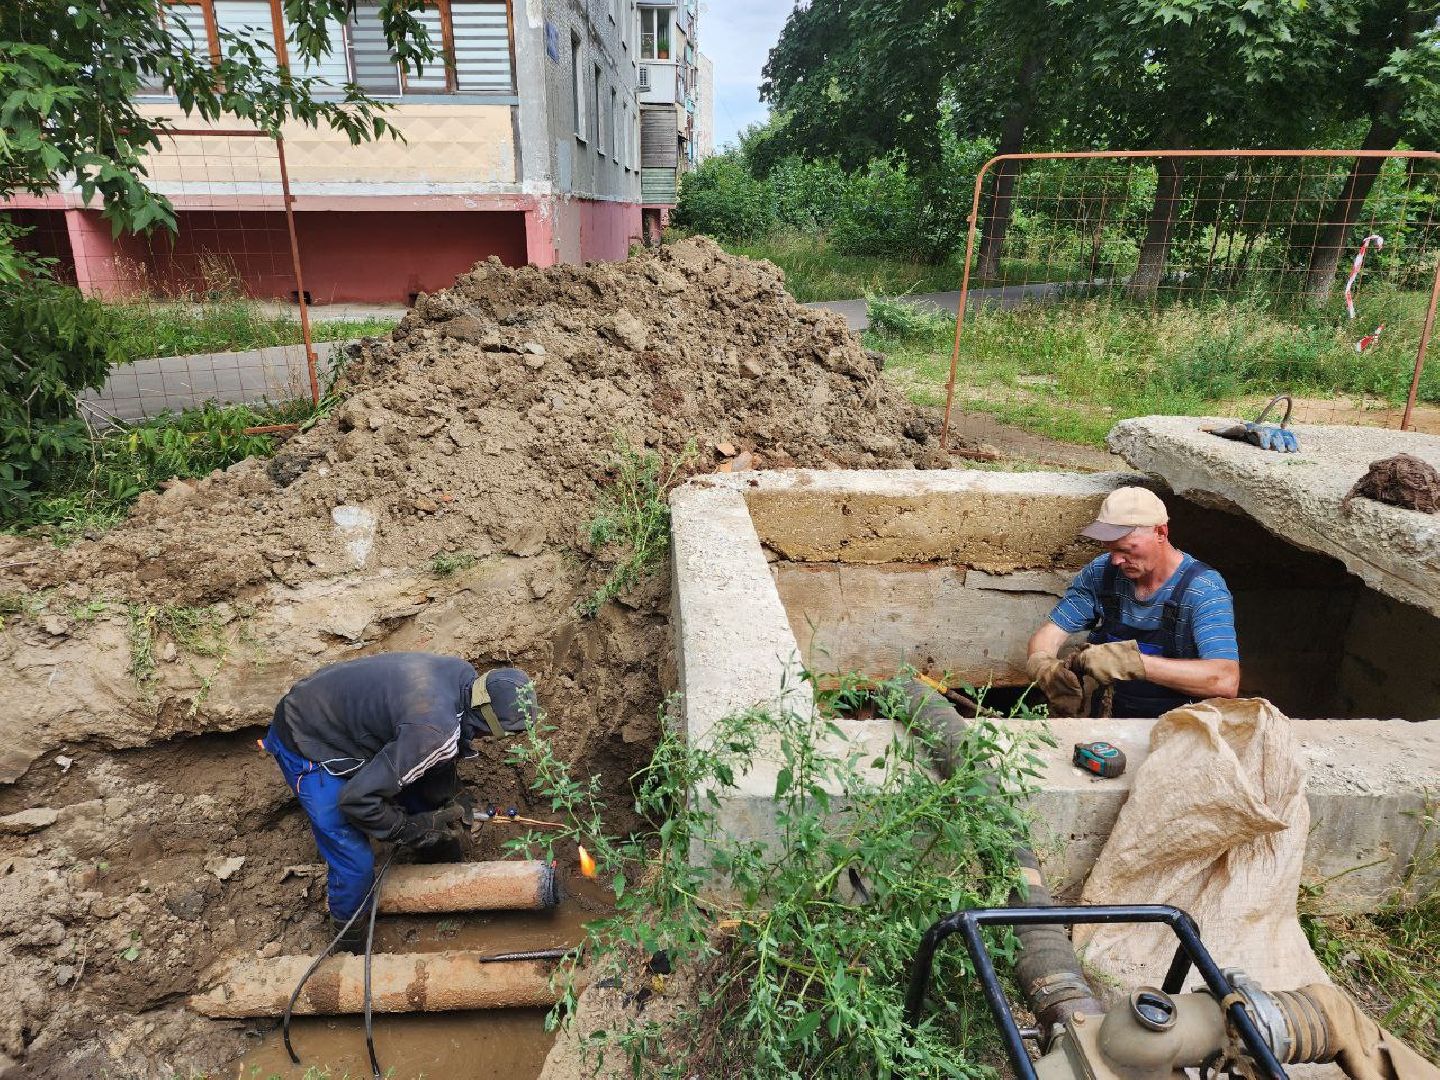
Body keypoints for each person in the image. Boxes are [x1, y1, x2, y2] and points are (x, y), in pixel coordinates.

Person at [261, 652, 536, 950]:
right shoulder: (433, 729)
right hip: (305, 739)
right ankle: (348, 940)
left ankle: (441, 870)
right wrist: (408, 829)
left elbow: (432, 751)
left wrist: (451, 796)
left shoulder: (461, 678)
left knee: (422, 797)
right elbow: (355, 802)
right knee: (355, 864)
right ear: (488, 725)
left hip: (334, 708)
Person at [1025, 487, 1240, 718]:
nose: (1116, 560)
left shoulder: (1202, 589)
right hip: (1111, 717)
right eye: (1110, 549)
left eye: (1126, 549)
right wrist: (1043, 665)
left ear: (1160, 532)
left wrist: (1130, 662)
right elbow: (1050, 634)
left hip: (1181, 726)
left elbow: (1225, 680)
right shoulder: (1102, 573)